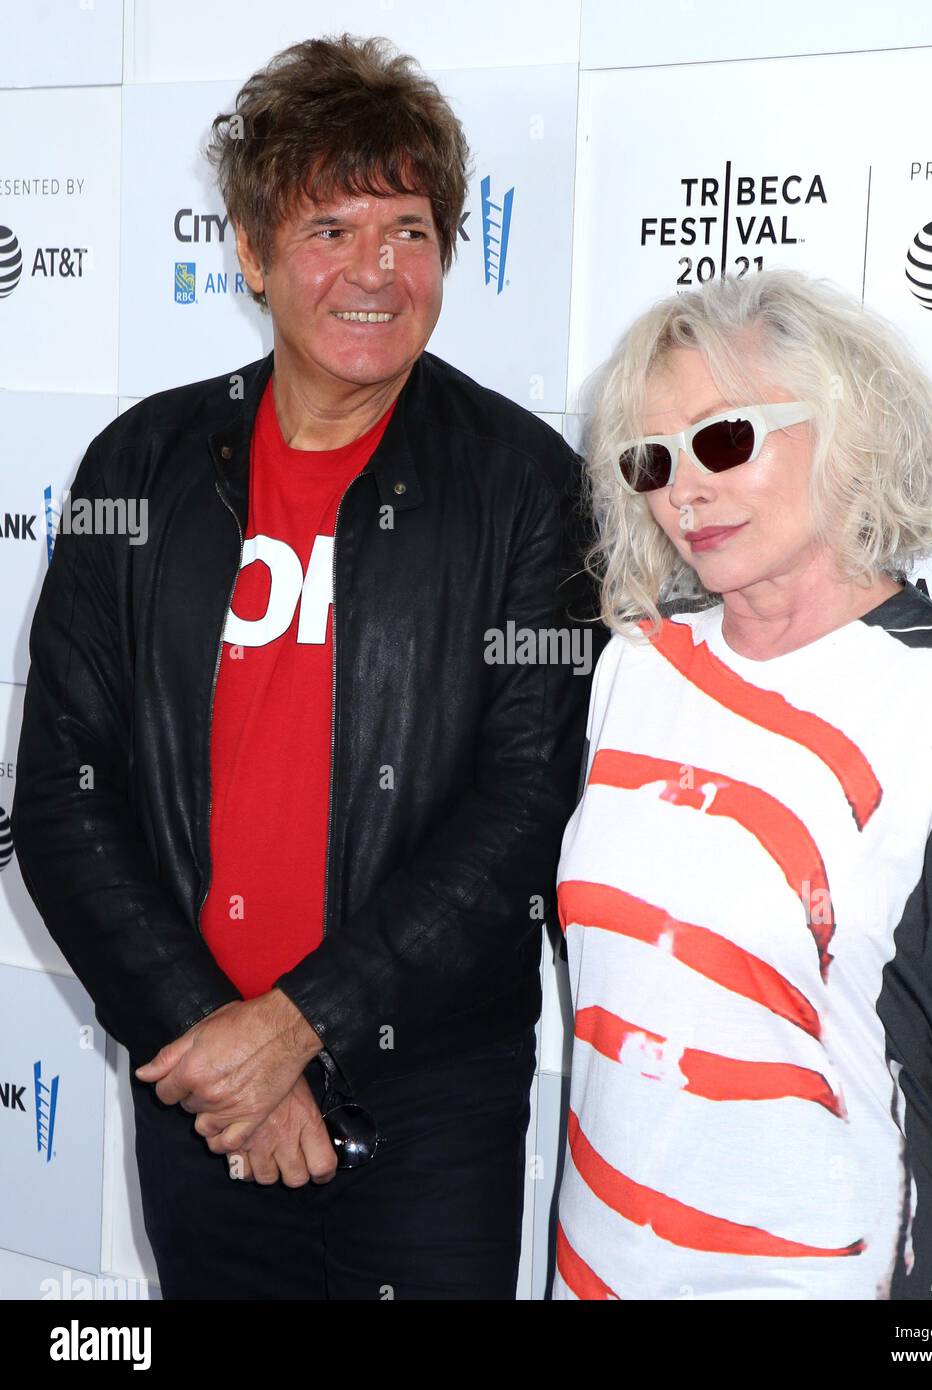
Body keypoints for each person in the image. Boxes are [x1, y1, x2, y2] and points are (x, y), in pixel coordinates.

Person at [13, 34, 600, 1300]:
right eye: (329, 227)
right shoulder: (137, 469)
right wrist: (217, 1043)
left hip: (429, 1090)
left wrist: (298, 1026)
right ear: (249, 251)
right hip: (200, 1077)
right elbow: (60, 793)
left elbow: (522, 804)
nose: (375, 271)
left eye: (409, 228)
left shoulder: (524, 485)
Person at [551, 266, 932, 1300]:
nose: (682, 490)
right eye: (652, 459)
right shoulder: (635, 666)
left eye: (724, 439)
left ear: (847, 427)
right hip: (595, 1261)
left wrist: (907, 1269)